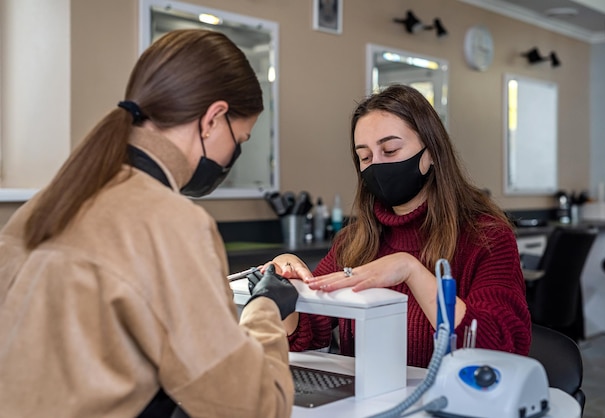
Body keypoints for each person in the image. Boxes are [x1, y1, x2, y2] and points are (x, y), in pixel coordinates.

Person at [0, 29, 298, 417]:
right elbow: (254, 407)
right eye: (240, 139)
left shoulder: (44, 207)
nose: (233, 155)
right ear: (213, 119)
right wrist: (265, 310)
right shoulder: (173, 224)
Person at [270, 84, 531, 368]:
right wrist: (288, 285)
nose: (377, 165)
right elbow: (307, 333)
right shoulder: (353, 241)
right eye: (366, 157)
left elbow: (501, 348)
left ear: (431, 153)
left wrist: (411, 271)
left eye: (390, 150)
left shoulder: (486, 237)